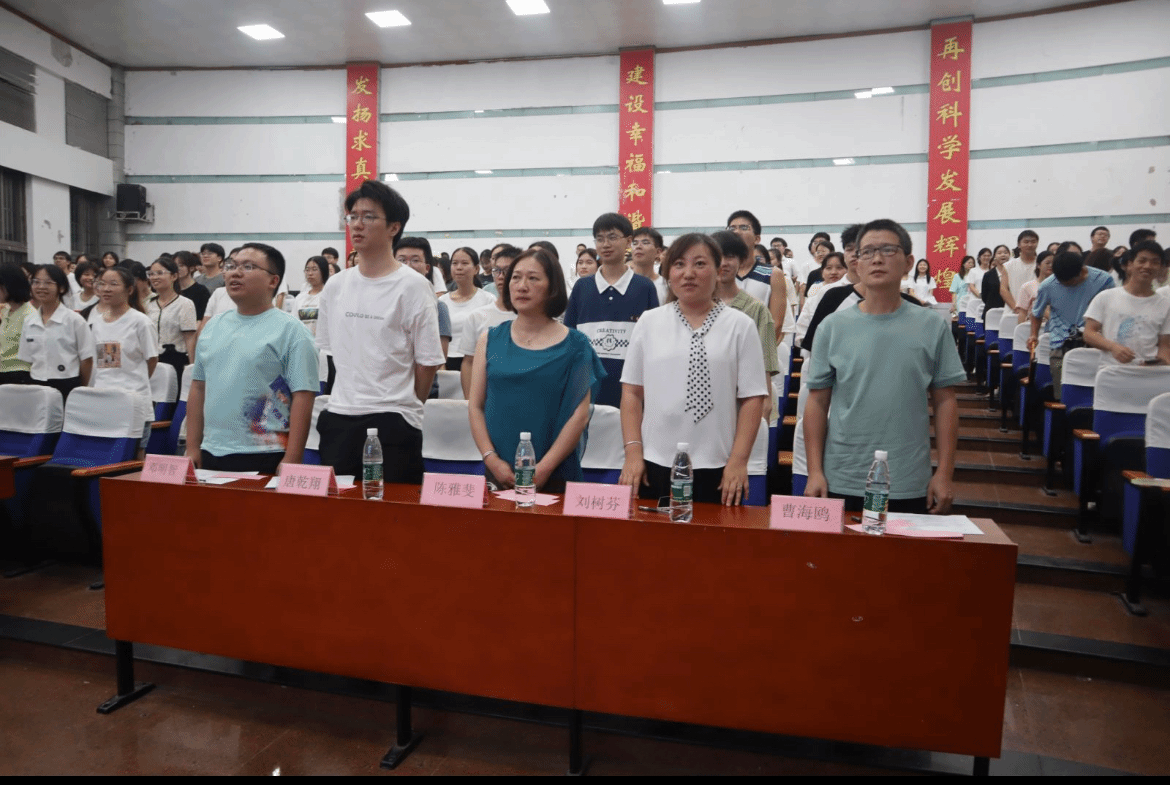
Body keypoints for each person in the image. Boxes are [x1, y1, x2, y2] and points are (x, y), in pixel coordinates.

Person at [804, 218, 966, 514]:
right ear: (856, 262)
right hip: (842, 475)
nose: (876, 259)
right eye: (867, 252)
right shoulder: (832, 327)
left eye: (888, 250)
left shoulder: (931, 326)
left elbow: (945, 402)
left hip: (907, 477)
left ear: (908, 263)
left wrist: (944, 473)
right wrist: (814, 471)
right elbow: (817, 402)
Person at [619, 233, 767, 507]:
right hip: (654, 461)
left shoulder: (740, 325)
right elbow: (631, 393)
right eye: (679, 264)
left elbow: (752, 398)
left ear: (718, 270)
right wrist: (633, 453)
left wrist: (738, 461)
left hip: (719, 465)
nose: (688, 274)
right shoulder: (649, 322)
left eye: (699, 264)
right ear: (668, 272)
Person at [315, 180, 445, 481]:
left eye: (369, 216)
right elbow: (332, 352)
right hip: (340, 414)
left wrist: (406, 404)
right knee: (339, 506)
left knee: (392, 506)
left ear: (393, 227)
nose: (357, 224)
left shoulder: (413, 286)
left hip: (393, 418)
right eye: (353, 216)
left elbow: (428, 362)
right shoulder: (336, 286)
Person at [468, 249, 604, 493]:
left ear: (552, 287)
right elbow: (476, 406)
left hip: (555, 469)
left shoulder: (576, 345)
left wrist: (545, 468)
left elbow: (579, 416)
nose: (522, 286)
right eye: (516, 277)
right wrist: (491, 459)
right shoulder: (490, 339)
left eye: (533, 278)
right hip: (499, 467)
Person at [185, 243, 318, 474]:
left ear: (273, 281)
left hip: (266, 452)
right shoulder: (213, 327)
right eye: (231, 266)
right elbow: (198, 388)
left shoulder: (292, 331)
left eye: (248, 267)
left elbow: (303, 396)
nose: (235, 273)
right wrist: (192, 447)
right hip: (210, 451)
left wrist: (293, 457)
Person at [564, 212, 659, 408]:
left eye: (612, 237)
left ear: (628, 241)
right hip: (586, 392)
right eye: (600, 239)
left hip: (631, 394)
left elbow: (654, 342)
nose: (605, 244)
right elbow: (569, 338)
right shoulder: (582, 288)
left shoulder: (644, 287)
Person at [712, 231, 779, 424]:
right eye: (717, 257)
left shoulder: (756, 309)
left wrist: (764, 407)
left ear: (741, 261)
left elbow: (765, 366)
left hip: (741, 404)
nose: (723, 263)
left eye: (730, 257)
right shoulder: (695, 307)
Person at [1028, 251, 1115, 400]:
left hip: (1095, 346)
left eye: (1069, 282)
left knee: (1094, 393)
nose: (1064, 285)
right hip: (1059, 347)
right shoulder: (1048, 285)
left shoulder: (1103, 280)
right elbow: (1036, 313)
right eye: (1060, 281)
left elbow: (1112, 311)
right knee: (1062, 392)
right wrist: (1033, 335)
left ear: (1082, 271)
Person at [90, 266, 158, 457]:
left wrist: (134, 382)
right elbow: (103, 364)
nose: (106, 289)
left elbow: (152, 359)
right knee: (105, 456)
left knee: (135, 458)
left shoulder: (140, 322)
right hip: (104, 399)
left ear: (129, 289)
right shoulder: (98, 322)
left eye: (113, 284)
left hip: (134, 401)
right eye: (102, 284)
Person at [1083, 240, 1170, 367]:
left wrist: (1163, 363)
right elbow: (1089, 333)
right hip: (1112, 371)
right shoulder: (1106, 297)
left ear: (1161, 267)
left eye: (1155, 262)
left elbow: (1165, 345)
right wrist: (1112, 347)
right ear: (1129, 264)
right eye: (1142, 261)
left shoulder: (1165, 304)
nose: (1147, 266)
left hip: (1148, 372)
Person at [20, 265, 94, 402]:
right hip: (36, 383)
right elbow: (27, 359)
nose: (41, 287)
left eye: (48, 283)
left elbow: (87, 360)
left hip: (67, 384)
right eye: (36, 282)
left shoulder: (74, 320)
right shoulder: (29, 321)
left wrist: (80, 388)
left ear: (61, 288)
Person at [459, 246, 520, 398]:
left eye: (507, 270)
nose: (501, 276)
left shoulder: (532, 318)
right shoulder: (477, 317)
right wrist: (470, 401)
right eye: (496, 270)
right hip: (487, 397)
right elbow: (468, 363)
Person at [726, 210, 787, 338]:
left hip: (758, 345)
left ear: (757, 238)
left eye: (744, 227)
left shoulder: (773, 274)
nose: (737, 232)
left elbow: (776, 324)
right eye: (732, 228)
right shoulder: (718, 273)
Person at [439, 241, 495, 371]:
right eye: (454, 263)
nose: (459, 268)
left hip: (478, 362)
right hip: (446, 363)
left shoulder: (488, 299)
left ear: (476, 269)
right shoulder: (442, 302)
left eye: (464, 263)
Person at [145, 257, 197, 384]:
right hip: (151, 360)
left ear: (174, 276)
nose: (154, 277)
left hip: (175, 360)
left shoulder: (185, 304)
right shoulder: (148, 304)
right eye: (151, 274)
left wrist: (192, 368)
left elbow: (190, 338)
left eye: (160, 273)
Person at [0, 263, 35, 385]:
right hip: (4, 370)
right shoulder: (6, 311)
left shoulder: (29, 314)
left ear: (10, 286)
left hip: (20, 373)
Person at [1000, 230, 1039, 317]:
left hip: (1037, 314)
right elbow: (1003, 289)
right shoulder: (1008, 265)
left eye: (1033, 242)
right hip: (1012, 313)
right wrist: (1017, 309)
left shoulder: (1042, 265)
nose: (1030, 245)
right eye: (1026, 242)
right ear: (1019, 244)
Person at [630, 227, 667, 304]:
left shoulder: (666, 286)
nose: (638, 247)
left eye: (645, 243)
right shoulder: (623, 282)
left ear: (658, 252)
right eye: (635, 243)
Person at [1017, 250, 1054, 320]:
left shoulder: (1060, 286)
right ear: (1038, 265)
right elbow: (1023, 313)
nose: (1051, 265)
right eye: (1047, 263)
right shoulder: (1027, 287)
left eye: (1053, 263)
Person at [175, 250, 210, 320]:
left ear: (191, 268)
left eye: (181, 265)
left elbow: (202, 318)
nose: (177, 269)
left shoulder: (201, 291)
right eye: (174, 265)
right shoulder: (172, 289)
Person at [980, 245, 1010, 319]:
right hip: (992, 313)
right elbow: (984, 296)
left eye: (1005, 253)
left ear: (1009, 255)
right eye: (999, 253)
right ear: (994, 257)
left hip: (1010, 312)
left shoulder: (1014, 273)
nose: (1003, 255)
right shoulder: (988, 275)